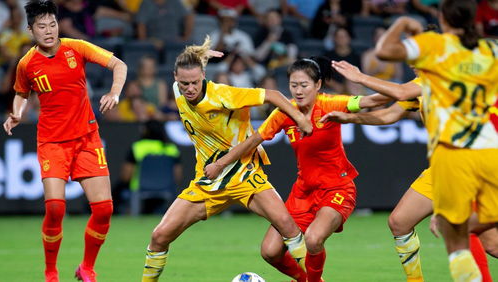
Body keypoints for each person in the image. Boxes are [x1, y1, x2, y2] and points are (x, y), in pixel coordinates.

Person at [140, 36, 314, 281]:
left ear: (203, 76)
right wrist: (199, 55)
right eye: (184, 83)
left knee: (286, 225)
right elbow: (186, 67)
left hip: (244, 173)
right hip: (208, 182)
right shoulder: (177, 90)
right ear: (175, 78)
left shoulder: (223, 95)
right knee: (159, 236)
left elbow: (274, 95)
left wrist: (301, 119)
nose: (189, 88)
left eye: (195, 82)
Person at [204, 57, 388, 282]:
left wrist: (397, 89)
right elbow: (253, 140)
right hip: (303, 193)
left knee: (313, 239)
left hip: (337, 188)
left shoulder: (331, 103)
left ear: (318, 85)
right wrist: (220, 164)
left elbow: (374, 101)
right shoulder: (285, 112)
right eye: (294, 85)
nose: (298, 91)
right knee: (270, 251)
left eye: (304, 85)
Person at [321, 59, 498, 282]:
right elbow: (389, 115)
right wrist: (349, 118)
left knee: (478, 236)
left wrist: (360, 77)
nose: (413, 64)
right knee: (400, 221)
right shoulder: (420, 85)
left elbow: (401, 92)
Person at [2, 1, 127, 281]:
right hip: (52, 142)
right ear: (30, 30)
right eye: (42, 26)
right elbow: (22, 93)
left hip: (87, 138)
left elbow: (119, 64)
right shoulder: (26, 64)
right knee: (56, 208)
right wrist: (18, 114)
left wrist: (115, 92)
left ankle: (87, 268)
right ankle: (50, 273)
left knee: (105, 209)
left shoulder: (76, 47)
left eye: (53, 24)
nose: (49, 31)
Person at [372, 1, 498, 280]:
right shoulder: (487, 51)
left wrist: (403, 23)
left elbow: (400, 88)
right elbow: (388, 110)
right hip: (459, 160)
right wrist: (351, 111)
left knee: (460, 229)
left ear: (442, 19)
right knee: (404, 221)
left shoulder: (439, 62)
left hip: (465, 157)